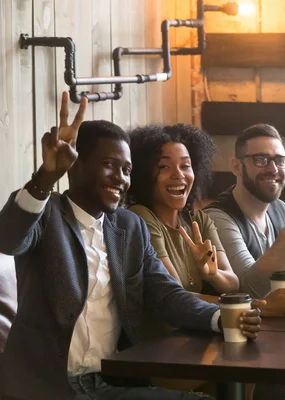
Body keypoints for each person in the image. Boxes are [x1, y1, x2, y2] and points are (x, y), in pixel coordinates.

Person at [0, 92, 261, 400]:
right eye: (109, 165)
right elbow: (9, 237)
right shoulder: (47, 214)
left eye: (126, 170)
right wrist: (45, 177)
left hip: (110, 384)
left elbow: (165, 293)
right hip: (45, 388)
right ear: (75, 165)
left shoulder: (128, 226)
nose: (120, 178)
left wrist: (220, 318)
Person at [204, 123, 285, 317]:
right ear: (236, 167)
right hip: (228, 336)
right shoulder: (217, 217)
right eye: (261, 160)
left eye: (280, 160)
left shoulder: (280, 210)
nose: (273, 168)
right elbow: (248, 289)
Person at [127, 124, 239, 305]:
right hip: (164, 332)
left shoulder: (199, 220)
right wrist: (243, 305)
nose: (178, 175)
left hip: (199, 328)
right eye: (164, 167)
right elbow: (176, 296)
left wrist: (213, 274)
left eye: (185, 165)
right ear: (143, 174)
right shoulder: (141, 217)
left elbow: (232, 283)